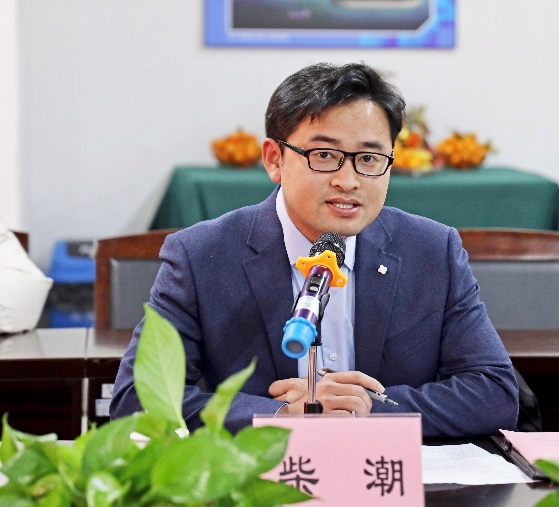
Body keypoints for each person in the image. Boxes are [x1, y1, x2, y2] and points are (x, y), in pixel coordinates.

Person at [110, 62, 518, 438]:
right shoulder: (201, 255)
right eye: (324, 155)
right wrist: (278, 416)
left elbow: (494, 392)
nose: (348, 180)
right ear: (274, 159)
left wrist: (367, 409)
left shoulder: (432, 250)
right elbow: (137, 400)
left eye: (369, 158)